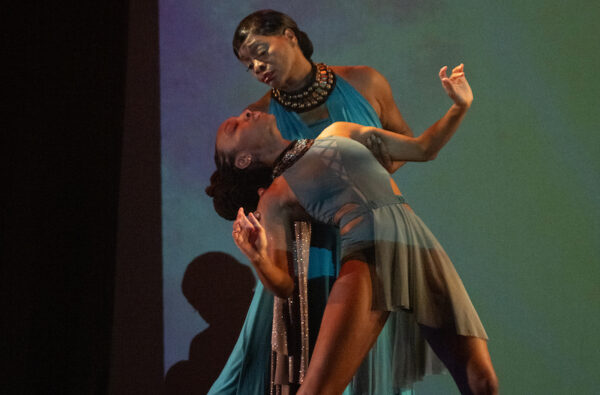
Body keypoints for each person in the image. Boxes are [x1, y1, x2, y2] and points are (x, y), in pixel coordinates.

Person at [209, 10, 460, 394]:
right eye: (248, 64)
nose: (257, 66)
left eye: (261, 51)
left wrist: (353, 183)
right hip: (305, 255)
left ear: (290, 36)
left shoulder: (363, 81)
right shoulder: (259, 117)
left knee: (364, 368)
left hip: (364, 235)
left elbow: (411, 147)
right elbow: (264, 194)